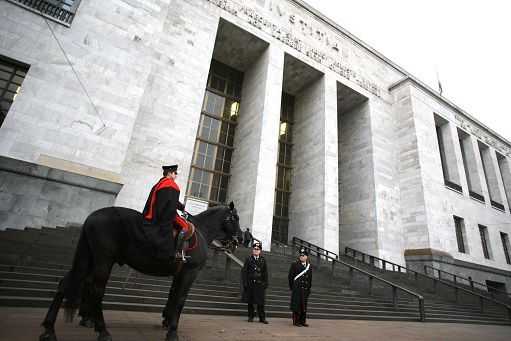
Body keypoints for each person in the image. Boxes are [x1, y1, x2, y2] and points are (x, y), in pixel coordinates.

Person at [142, 164, 189, 261]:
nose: (176, 175)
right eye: (175, 173)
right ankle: (176, 252)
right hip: (164, 215)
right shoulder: (171, 185)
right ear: (169, 173)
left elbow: (170, 200)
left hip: (153, 213)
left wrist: (182, 207)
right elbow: (170, 205)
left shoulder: (160, 183)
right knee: (185, 226)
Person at [241, 241, 269, 324]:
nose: (256, 250)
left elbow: (265, 273)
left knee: (261, 302)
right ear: (252, 250)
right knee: (251, 302)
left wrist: (265, 283)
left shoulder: (263, 260)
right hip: (251, 283)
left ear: (260, 251)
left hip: (260, 284)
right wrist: (245, 283)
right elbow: (244, 272)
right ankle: (251, 316)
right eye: (254, 249)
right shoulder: (248, 259)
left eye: (258, 249)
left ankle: (262, 318)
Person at [288, 247, 312, 327]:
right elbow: (290, 277)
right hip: (297, 289)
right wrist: (293, 288)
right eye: (301, 255)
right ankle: (296, 321)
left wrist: (308, 289)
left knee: (303, 306)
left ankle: (303, 321)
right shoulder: (294, 264)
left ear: (307, 257)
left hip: (305, 289)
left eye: (304, 255)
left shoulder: (309, 266)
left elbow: (310, 279)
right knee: (297, 306)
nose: (302, 256)